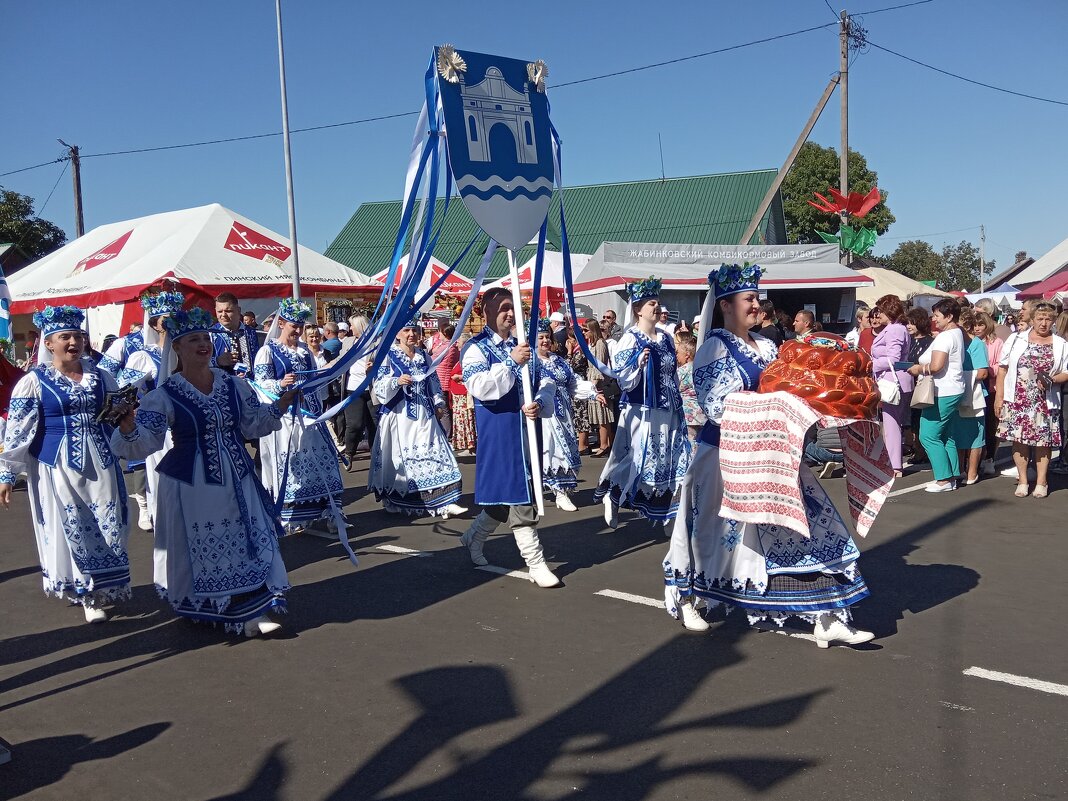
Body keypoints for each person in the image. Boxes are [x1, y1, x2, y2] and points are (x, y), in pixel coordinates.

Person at [663, 264, 873, 647]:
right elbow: (717, 406)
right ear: (725, 306)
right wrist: (777, 405)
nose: (756, 305)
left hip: (774, 455)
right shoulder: (714, 346)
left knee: (811, 526)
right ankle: (692, 598)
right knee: (709, 537)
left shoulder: (768, 345)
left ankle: (828, 616)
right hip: (725, 458)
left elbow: (796, 388)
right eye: (749, 299)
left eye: (757, 298)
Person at [112, 308, 296, 636]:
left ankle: (255, 607)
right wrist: (128, 429)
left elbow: (252, 423)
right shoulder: (164, 396)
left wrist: (279, 406)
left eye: (205, 338)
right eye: (193, 339)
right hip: (192, 482)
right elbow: (144, 442)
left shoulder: (233, 385)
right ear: (177, 349)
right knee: (208, 542)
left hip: (238, 474)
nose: (202, 344)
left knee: (250, 537)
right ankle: (213, 605)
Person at [0, 306, 132, 624]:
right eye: (65, 337)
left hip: (102, 461)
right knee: (72, 525)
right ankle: (85, 592)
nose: (74, 342)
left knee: (109, 523)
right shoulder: (34, 382)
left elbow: (115, 415)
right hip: (58, 465)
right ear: (49, 343)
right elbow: (19, 430)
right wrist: (7, 474)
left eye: (78, 336)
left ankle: (102, 585)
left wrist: (127, 418)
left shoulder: (102, 376)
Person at [457, 287, 560, 588]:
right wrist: (512, 363)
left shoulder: (523, 345)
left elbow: (546, 383)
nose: (510, 313)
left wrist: (540, 402)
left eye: (513, 306)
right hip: (500, 433)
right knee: (520, 496)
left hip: (528, 430)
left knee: (502, 501)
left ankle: (473, 537)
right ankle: (535, 562)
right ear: (485, 311)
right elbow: (481, 388)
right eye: (503, 307)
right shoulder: (476, 349)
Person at [595, 278, 691, 528]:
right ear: (638, 309)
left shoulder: (667, 338)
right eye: (652, 303)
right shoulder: (630, 339)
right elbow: (623, 378)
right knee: (638, 458)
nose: (657, 308)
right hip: (643, 410)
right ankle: (614, 494)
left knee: (671, 459)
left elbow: (673, 373)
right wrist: (638, 362)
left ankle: (669, 514)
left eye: (658, 303)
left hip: (669, 408)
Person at [254, 299, 344, 534]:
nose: (297, 331)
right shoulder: (267, 351)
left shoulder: (304, 352)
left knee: (322, 460)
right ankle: (291, 515)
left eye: (300, 326)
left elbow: (313, 380)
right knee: (292, 462)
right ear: (281, 324)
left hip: (310, 414)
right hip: (286, 418)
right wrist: (280, 384)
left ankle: (332, 511)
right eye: (293, 325)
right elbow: (261, 384)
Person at [369, 318, 466, 518]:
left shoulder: (424, 356)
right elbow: (378, 386)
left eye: (414, 330)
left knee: (437, 453)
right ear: (397, 334)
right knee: (401, 459)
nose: (411, 334)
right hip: (399, 415)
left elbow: (434, 382)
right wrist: (396, 381)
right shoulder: (388, 355)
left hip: (425, 414)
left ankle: (446, 500)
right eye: (406, 330)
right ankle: (402, 499)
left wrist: (439, 404)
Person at [117, 289, 186, 531]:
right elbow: (126, 391)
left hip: (189, 424)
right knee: (166, 477)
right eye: (166, 319)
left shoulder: (188, 351)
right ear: (155, 325)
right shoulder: (144, 357)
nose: (172, 323)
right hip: (162, 428)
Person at [994, 301, 1068, 498]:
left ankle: (1042, 481)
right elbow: (1003, 369)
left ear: (1053, 321)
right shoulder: (1016, 339)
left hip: (1044, 401)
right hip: (1018, 398)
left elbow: (1066, 371)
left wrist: (1053, 379)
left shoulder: (1060, 344)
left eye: (1048, 319)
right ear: (1033, 319)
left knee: (1043, 442)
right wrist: (999, 398)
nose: (1044, 323)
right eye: (1040, 318)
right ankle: (1023, 480)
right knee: (1019, 440)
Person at [908, 298, 967, 492]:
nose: (934, 319)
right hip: (953, 388)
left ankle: (944, 478)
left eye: (937, 316)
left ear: (949, 316)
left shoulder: (945, 337)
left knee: (928, 436)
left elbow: (936, 366)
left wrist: (918, 368)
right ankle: (953, 474)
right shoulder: (957, 333)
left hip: (942, 391)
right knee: (945, 435)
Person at [535, 320, 582, 511]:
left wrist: (593, 392)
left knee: (567, 448)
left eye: (547, 337)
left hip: (563, 410)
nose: (545, 341)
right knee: (552, 450)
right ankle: (559, 492)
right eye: (541, 338)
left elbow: (573, 382)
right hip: (544, 414)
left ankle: (562, 490)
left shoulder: (558, 360)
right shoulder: (531, 363)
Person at [868, 295, 913, 477]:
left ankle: (895, 464)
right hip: (896, 379)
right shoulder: (896, 328)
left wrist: (872, 364)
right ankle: (893, 462)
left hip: (892, 380)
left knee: (892, 422)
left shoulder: (894, 329)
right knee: (892, 422)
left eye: (881, 310)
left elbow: (894, 359)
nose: (878, 315)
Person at [951, 309, 990, 486]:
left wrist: (959, 375)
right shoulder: (956, 343)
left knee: (975, 434)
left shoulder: (977, 344)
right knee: (957, 433)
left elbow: (982, 372)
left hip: (974, 394)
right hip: (956, 393)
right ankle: (959, 469)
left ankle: (972, 471)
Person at [342, 315, 377, 470]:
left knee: (374, 424)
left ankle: (376, 455)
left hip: (372, 389)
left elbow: (385, 362)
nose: (350, 329)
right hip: (353, 388)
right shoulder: (348, 342)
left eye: (352, 325)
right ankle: (349, 453)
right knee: (355, 424)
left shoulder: (376, 342)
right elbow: (340, 361)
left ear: (360, 325)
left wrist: (373, 367)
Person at [971, 310, 1004, 476]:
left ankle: (990, 457)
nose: (977, 328)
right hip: (974, 386)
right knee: (977, 424)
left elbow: (1001, 364)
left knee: (991, 424)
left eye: (980, 325)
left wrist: (987, 368)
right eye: (974, 325)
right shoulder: (972, 341)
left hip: (990, 387)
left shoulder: (996, 342)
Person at [904, 307, 935, 464]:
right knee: (913, 419)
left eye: (912, 323)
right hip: (909, 384)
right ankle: (918, 449)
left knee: (923, 418)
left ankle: (924, 450)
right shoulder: (908, 341)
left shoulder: (931, 342)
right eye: (907, 323)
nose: (908, 326)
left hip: (923, 383)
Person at [584, 320, 617, 456]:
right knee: (598, 416)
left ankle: (605, 445)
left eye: (586, 330)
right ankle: (602, 442)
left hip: (599, 381)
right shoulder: (591, 344)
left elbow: (600, 364)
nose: (584, 333)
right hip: (592, 378)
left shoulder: (600, 343)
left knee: (603, 415)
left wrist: (594, 384)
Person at [210, 292, 261, 376]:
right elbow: (196, 363)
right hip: (221, 385)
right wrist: (218, 361)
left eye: (228, 311)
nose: (223, 315)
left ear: (238, 310)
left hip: (251, 385)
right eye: (219, 311)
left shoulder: (255, 334)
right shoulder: (209, 335)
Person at [429, 322, 459, 443]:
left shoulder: (446, 347)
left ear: (445, 333)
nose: (438, 334)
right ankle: (447, 433)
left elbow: (431, 359)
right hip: (446, 380)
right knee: (446, 409)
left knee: (444, 409)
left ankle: (446, 435)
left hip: (441, 380)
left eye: (440, 332)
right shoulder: (453, 346)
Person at [565, 327, 592, 454]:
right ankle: (584, 443)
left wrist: (569, 352)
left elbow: (570, 367)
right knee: (578, 414)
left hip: (579, 385)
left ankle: (583, 444)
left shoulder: (580, 352)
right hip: (576, 385)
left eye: (569, 339)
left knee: (581, 415)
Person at [450, 333, 476, 455]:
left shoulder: (467, 357)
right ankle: (466, 444)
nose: (456, 344)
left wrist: (458, 377)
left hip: (464, 395)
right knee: (461, 420)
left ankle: (470, 446)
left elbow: (472, 373)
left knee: (466, 420)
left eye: (458, 342)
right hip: (458, 395)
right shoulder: (461, 356)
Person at [676, 337, 706, 441]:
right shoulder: (701, 369)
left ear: (687, 355)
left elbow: (674, 387)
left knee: (688, 443)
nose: (676, 356)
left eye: (678, 353)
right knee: (696, 442)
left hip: (687, 415)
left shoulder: (682, 371)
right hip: (700, 415)